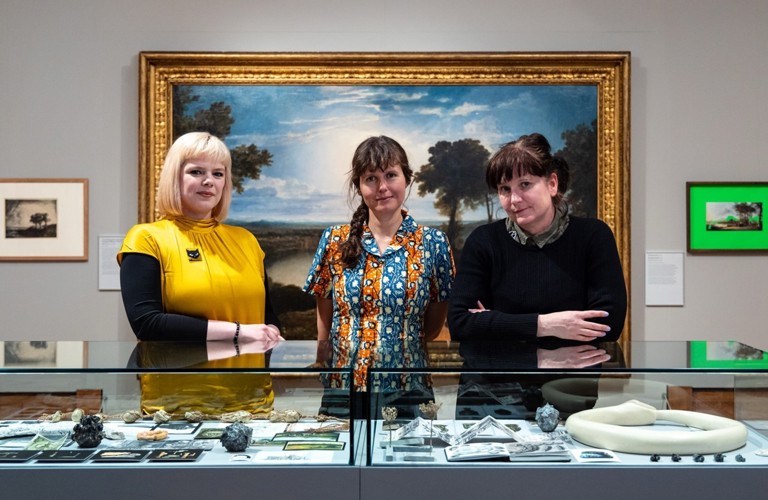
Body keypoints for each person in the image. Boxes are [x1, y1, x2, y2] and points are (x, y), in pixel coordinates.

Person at [117, 131, 282, 415]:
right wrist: (240, 333)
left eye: (218, 173)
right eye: (196, 171)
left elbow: (267, 317)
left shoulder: (246, 240)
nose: (209, 181)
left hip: (254, 404)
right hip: (176, 408)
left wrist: (272, 332)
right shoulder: (146, 238)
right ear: (174, 177)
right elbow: (147, 324)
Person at [303, 135, 455, 417]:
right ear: (359, 186)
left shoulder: (433, 243)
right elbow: (324, 305)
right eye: (371, 178)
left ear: (407, 179)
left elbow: (433, 322)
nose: (382, 187)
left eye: (391, 175)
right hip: (344, 383)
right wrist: (324, 354)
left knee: (408, 459)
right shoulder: (335, 239)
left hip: (409, 385)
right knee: (340, 458)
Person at [448, 132, 627, 343]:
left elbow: (608, 326)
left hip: (573, 374)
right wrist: (547, 325)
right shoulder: (483, 242)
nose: (514, 199)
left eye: (525, 184)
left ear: (552, 184)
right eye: (505, 189)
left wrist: (494, 322)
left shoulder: (593, 237)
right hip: (499, 374)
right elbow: (460, 324)